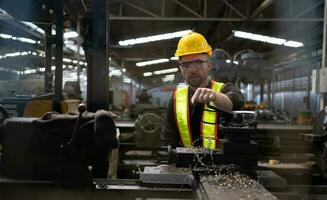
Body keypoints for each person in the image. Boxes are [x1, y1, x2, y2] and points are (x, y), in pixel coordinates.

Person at [161, 32, 244, 149]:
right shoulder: (176, 99)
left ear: (209, 65)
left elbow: (236, 100)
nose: (192, 69)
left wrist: (215, 96)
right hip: (186, 165)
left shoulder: (224, 89)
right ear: (180, 68)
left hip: (223, 164)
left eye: (198, 62)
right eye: (185, 64)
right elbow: (168, 140)